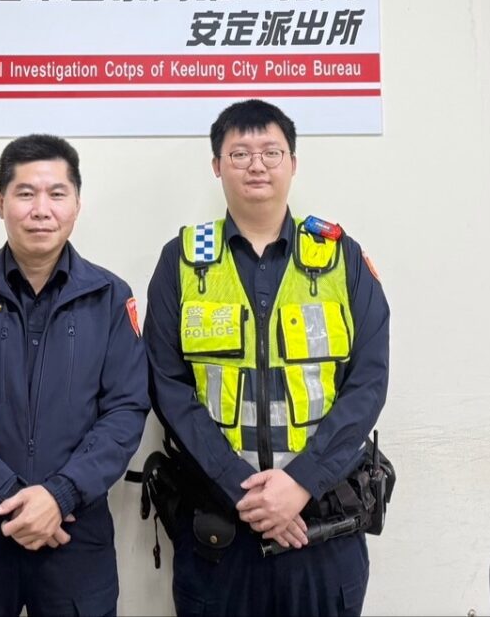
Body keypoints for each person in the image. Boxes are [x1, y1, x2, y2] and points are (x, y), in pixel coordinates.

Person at [143, 100, 390, 616]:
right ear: (217, 165)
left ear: (293, 163)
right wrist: (244, 491)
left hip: (320, 525)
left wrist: (300, 483)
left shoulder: (339, 257)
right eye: (240, 153)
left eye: (271, 152)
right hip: (219, 529)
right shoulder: (182, 260)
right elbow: (168, 385)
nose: (256, 165)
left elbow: (367, 382)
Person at [0, 134, 150, 616]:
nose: (41, 209)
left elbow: (125, 412)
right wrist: (13, 499)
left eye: (57, 194)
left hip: (75, 532)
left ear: (77, 204)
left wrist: (60, 495)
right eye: (25, 193)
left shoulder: (109, 296)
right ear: (0, 202)